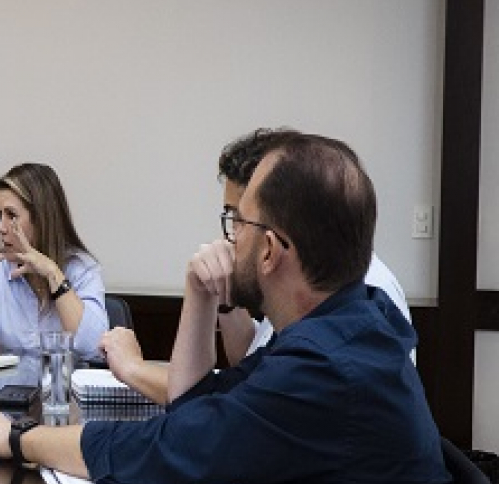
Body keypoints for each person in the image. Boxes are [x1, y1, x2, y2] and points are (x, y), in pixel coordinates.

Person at [0, 132, 452, 484]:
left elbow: (169, 445)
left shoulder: (326, 369)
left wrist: (18, 439)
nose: (225, 243)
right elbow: (198, 409)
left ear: (270, 249)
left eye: (236, 223)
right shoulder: (347, 326)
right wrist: (201, 296)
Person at [107, 127, 413, 404]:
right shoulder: (307, 297)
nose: (231, 237)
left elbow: (218, 410)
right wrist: (223, 295)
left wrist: (135, 369)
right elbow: (249, 363)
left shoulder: (350, 299)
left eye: (239, 218)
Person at [0, 163, 108, 360]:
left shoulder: (81, 268)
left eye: (11, 215)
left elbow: (94, 347)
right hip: (10, 389)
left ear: (42, 219)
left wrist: (52, 273)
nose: (1, 228)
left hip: (62, 388)